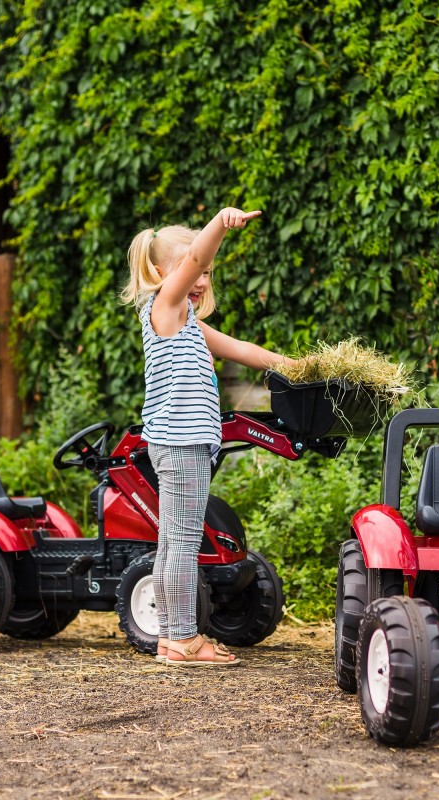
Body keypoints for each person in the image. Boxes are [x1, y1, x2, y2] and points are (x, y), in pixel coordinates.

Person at [122, 207, 291, 666]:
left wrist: (294, 366)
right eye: (190, 269)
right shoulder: (165, 307)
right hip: (180, 443)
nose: (200, 278)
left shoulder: (188, 322)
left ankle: (171, 637)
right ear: (161, 273)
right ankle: (182, 639)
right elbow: (197, 257)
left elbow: (241, 349)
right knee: (180, 543)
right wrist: (219, 223)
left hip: (182, 443)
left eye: (207, 273)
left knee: (173, 542)